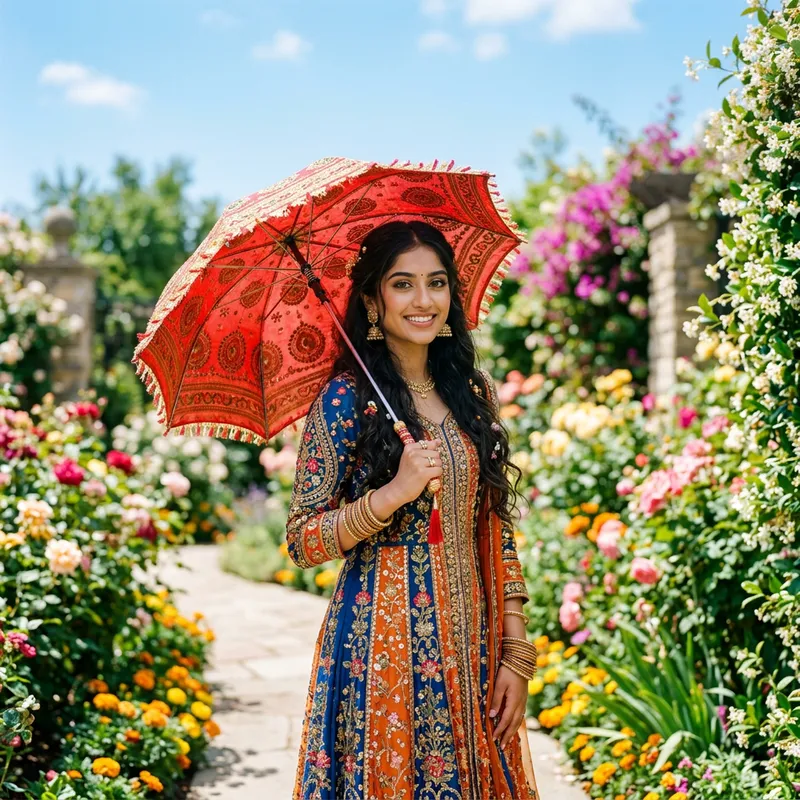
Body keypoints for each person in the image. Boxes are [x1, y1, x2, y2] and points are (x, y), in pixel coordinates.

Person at [286, 220, 539, 799]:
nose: (424, 301)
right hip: (383, 652)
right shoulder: (347, 398)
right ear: (373, 300)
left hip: (472, 642)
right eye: (403, 285)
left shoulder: (470, 392)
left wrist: (515, 652)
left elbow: (494, 526)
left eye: (436, 282)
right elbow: (302, 539)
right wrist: (393, 494)